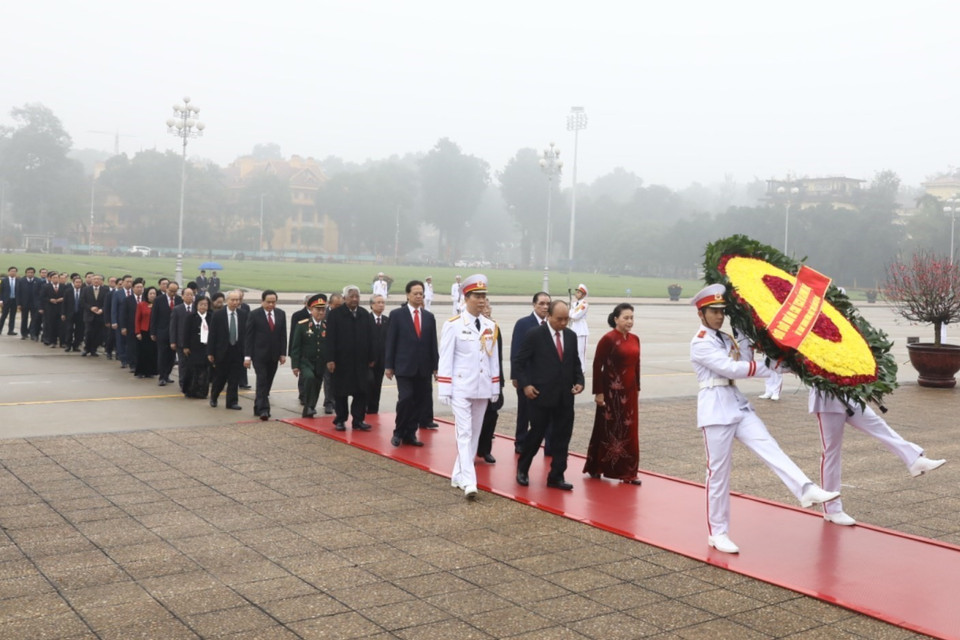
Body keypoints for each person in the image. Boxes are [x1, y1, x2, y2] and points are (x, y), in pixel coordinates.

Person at [689, 283, 839, 554]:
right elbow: (730, 368)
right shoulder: (700, 342)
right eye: (713, 312)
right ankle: (718, 533)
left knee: (770, 446)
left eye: (722, 311)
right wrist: (767, 370)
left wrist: (758, 341)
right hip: (715, 410)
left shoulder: (725, 338)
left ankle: (805, 489)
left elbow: (743, 358)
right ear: (701, 314)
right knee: (718, 475)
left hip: (736, 405)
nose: (719, 316)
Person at [810, 389, 946, 526]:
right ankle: (832, 510)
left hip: (849, 395)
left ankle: (914, 460)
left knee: (879, 426)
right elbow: (789, 367)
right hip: (827, 401)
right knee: (831, 452)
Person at [438, 274, 500, 500]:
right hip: (461, 387)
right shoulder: (453, 325)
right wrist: (444, 387)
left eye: (484, 296)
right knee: (463, 432)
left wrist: (495, 387)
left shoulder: (490, 326)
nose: (482, 300)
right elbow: (445, 358)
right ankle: (470, 481)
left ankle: (457, 474)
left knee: (474, 433)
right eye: (477, 296)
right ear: (466, 298)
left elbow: (493, 358)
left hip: (482, 387)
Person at [514, 300, 584, 491]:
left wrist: (580, 381)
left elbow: (575, 363)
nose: (563, 323)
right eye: (559, 319)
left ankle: (557, 475)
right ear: (549, 317)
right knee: (535, 435)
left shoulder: (570, 336)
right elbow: (519, 363)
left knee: (562, 439)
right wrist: (526, 385)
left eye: (566, 319)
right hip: (540, 397)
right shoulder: (535, 335)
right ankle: (523, 468)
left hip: (564, 398)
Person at [583, 303, 642, 484]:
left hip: (630, 392)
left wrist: (637, 387)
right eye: (626, 318)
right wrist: (598, 392)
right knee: (607, 429)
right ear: (616, 319)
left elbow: (637, 365)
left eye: (631, 317)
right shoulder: (608, 339)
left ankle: (629, 472)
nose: (629, 321)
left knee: (630, 431)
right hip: (611, 394)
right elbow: (597, 366)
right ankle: (597, 467)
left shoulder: (635, 339)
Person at [385, 280, 438, 448]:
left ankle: (410, 433)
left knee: (418, 401)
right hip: (404, 366)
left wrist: (436, 367)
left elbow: (432, 344)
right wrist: (389, 365)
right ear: (407, 295)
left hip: (423, 368)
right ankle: (398, 432)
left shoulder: (429, 317)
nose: (418, 296)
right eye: (415, 293)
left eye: (421, 293)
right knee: (406, 399)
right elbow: (391, 341)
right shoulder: (397, 315)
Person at [325, 285, 374, 431]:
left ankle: (358, 420)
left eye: (357, 296)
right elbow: (330, 338)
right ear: (344, 298)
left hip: (360, 362)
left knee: (361, 391)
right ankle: (340, 419)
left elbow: (371, 338)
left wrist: (372, 357)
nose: (354, 299)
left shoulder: (365, 314)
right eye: (351, 296)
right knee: (341, 392)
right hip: (341, 362)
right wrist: (330, 359)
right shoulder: (335, 314)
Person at [510, 292, 551, 453]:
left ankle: (549, 444)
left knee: (548, 414)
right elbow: (516, 351)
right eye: (541, 303)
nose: (545, 307)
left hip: (546, 379)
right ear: (534, 305)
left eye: (548, 304)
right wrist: (516, 376)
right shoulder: (523, 324)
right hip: (527, 377)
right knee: (524, 413)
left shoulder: (552, 324)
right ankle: (520, 441)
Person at [243, 290, 287, 420]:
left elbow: (283, 335)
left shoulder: (281, 314)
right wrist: (247, 357)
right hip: (259, 355)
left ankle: (258, 406)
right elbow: (249, 337)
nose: (271, 305)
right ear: (262, 301)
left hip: (273, 356)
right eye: (268, 302)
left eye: (273, 302)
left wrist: (283, 353)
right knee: (261, 380)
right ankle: (264, 410)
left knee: (268, 382)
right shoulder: (254, 314)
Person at [289, 294, 328, 418]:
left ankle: (309, 407)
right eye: (318, 309)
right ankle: (309, 405)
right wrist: (295, 365)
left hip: (320, 362)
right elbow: (296, 346)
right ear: (311, 310)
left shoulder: (327, 326)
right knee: (310, 378)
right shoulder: (302, 325)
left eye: (323, 309)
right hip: (306, 362)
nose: (321, 312)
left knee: (317, 384)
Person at [208, 290, 246, 410]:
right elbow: (212, 334)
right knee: (220, 378)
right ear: (227, 300)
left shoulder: (243, 314)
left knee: (234, 379)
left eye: (237, 300)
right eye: (232, 300)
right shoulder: (218, 315)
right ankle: (214, 397)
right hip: (222, 351)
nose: (235, 302)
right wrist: (210, 352)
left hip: (237, 351)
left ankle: (232, 402)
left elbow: (246, 334)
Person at [476, 299, 503, 464]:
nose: (487, 309)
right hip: (475, 380)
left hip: (491, 380)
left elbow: (497, 358)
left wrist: (500, 382)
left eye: (488, 306)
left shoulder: (494, 328)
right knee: (473, 419)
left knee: (491, 416)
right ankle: (470, 451)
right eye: (483, 306)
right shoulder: (468, 327)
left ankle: (485, 450)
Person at [150, 280, 182, 387]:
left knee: (171, 356)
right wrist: (153, 332)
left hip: (175, 334)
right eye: (171, 291)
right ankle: (162, 376)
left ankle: (167, 374)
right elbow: (154, 317)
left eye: (175, 291)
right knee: (162, 355)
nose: (173, 293)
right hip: (162, 332)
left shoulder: (179, 300)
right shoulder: (159, 300)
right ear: (167, 289)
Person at [181, 296, 211, 398]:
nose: (203, 307)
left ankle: (202, 392)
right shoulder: (191, 317)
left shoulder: (211, 316)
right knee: (192, 370)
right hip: (193, 347)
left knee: (204, 371)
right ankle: (190, 391)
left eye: (205, 305)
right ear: (197, 305)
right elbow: (185, 333)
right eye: (201, 304)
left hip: (206, 347)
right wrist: (185, 346)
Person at [322, 293, 343, 414]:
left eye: (341, 305)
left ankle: (335, 401)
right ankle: (328, 402)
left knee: (338, 379)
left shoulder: (344, 315)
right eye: (336, 305)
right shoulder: (325, 315)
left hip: (340, 352)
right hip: (327, 352)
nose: (339, 308)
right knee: (328, 378)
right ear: (330, 304)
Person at [289, 295, 312, 406]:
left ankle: (308, 395)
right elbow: (293, 335)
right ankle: (303, 395)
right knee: (303, 375)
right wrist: (292, 353)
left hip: (314, 351)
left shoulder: (321, 314)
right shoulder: (298, 315)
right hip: (302, 351)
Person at [368, 294, 388, 414]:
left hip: (382, 360)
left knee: (377, 385)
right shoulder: (366, 319)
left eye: (383, 303)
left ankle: (373, 410)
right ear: (371, 305)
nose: (381, 305)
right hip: (368, 361)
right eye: (378, 302)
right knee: (369, 382)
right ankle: (365, 407)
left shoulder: (387, 320)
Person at [79, 274, 107, 357]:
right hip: (89, 315)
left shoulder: (105, 290)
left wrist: (102, 309)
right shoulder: (85, 289)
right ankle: (86, 349)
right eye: (94, 279)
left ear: (101, 281)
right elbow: (82, 302)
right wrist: (90, 308)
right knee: (88, 333)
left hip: (100, 316)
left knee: (98, 334)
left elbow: (107, 303)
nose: (96, 281)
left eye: (98, 279)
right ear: (91, 280)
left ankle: (93, 350)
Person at [134, 287, 158, 378]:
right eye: (150, 294)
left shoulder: (157, 304)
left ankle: (150, 371)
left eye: (154, 294)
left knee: (152, 352)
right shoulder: (141, 305)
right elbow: (137, 319)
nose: (152, 295)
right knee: (142, 352)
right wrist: (137, 332)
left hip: (154, 332)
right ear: (147, 295)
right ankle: (141, 371)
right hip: (144, 331)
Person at [569, 283, 590, 373]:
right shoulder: (574, 304)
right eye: (576, 292)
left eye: (579, 292)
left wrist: (571, 314)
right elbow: (569, 314)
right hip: (574, 329)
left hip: (582, 330)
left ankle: (582, 370)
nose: (576, 293)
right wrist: (571, 313)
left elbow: (575, 316)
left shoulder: (584, 304)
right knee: (574, 351)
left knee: (581, 352)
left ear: (583, 294)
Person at [61, 274, 85, 353]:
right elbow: (64, 303)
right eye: (76, 282)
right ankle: (68, 345)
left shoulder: (84, 291)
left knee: (79, 330)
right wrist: (63, 314)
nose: (78, 284)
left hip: (80, 314)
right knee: (69, 329)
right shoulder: (68, 291)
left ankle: (76, 345)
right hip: (70, 314)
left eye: (79, 282)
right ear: (73, 283)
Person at [40, 271, 65, 347]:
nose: (55, 279)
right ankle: (52, 342)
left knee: (61, 326)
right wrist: (49, 300)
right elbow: (42, 297)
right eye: (54, 278)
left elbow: (67, 296)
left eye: (57, 277)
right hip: (50, 309)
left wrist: (63, 298)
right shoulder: (46, 286)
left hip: (60, 309)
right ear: (50, 279)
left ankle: (62, 343)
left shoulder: (63, 286)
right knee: (51, 326)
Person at [16, 267, 40, 341]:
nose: (30, 274)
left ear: (34, 273)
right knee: (24, 319)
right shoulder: (21, 281)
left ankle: (32, 334)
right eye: (28, 272)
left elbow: (40, 293)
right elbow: (18, 293)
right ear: (26, 273)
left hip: (35, 304)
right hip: (24, 303)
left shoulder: (38, 281)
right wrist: (19, 304)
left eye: (32, 272)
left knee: (34, 319)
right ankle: (24, 334)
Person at [0, 266, 19, 336]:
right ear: (9, 272)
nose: (13, 272)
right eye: (12, 271)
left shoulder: (18, 280)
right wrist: (1, 300)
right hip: (6, 301)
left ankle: (11, 330)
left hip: (14, 301)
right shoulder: (4, 280)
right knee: (3, 315)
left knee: (12, 316)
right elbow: (1, 291)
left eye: (14, 271)